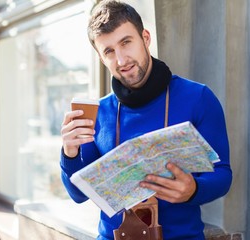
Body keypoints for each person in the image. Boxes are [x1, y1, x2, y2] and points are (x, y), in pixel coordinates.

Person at [60, 1, 232, 239]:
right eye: (109, 51)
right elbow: (78, 195)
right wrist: (69, 153)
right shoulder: (99, 112)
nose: (121, 60)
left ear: (146, 38)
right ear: (101, 58)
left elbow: (223, 175)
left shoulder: (198, 97)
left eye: (126, 42)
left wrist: (194, 190)